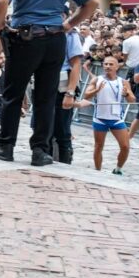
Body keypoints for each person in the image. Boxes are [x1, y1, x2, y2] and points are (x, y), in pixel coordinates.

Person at [0, 0, 98, 166]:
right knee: (46, 97)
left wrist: (1, 27)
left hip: (25, 39)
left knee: (13, 94)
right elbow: (91, 3)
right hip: (55, 39)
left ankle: (6, 146)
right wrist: (69, 24)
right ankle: (40, 151)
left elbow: (1, 1)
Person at [74, 56, 136, 174]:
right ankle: (98, 171)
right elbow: (86, 95)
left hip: (116, 119)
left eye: (111, 64)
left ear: (117, 67)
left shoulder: (123, 82)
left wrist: (126, 94)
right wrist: (96, 90)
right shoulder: (96, 79)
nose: (107, 66)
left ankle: (118, 169)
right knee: (98, 146)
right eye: (105, 64)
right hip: (100, 119)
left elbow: (132, 101)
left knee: (125, 146)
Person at [50, 9, 84, 164]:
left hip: (63, 85)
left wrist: (70, 93)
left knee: (62, 130)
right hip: (45, 83)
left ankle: (65, 165)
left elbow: (76, 64)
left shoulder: (71, 34)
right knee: (43, 129)